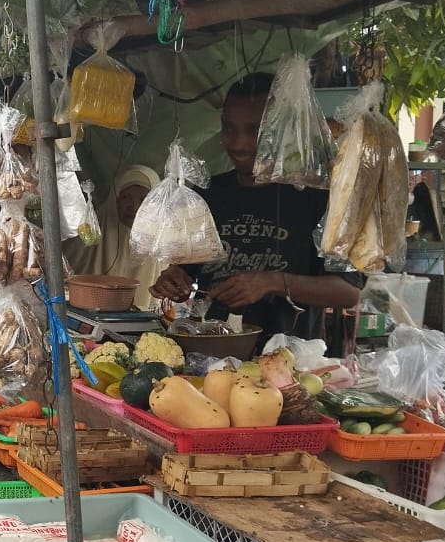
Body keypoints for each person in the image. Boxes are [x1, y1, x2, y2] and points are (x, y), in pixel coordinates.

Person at [150, 73, 360, 343]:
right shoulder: (207, 195)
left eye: (254, 131)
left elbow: (349, 291)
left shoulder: (317, 197)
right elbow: (184, 272)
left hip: (288, 364)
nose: (238, 144)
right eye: (228, 128)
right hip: (212, 358)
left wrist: (272, 282)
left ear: (280, 130)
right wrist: (174, 279)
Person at [66, 163, 161, 311]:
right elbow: (65, 272)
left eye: (144, 199)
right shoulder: (91, 229)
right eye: (126, 197)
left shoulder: (164, 239)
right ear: (115, 198)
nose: (134, 206)